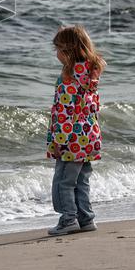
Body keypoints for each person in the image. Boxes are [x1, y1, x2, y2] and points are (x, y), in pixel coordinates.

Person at [46, 25, 105, 236]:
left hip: (70, 137)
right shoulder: (90, 74)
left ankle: (68, 219)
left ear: (67, 51)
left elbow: (66, 111)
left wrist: (58, 142)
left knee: (64, 181)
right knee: (81, 179)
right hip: (89, 135)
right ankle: (86, 218)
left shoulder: (69, 78)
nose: (57, 55)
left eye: (58, 50)